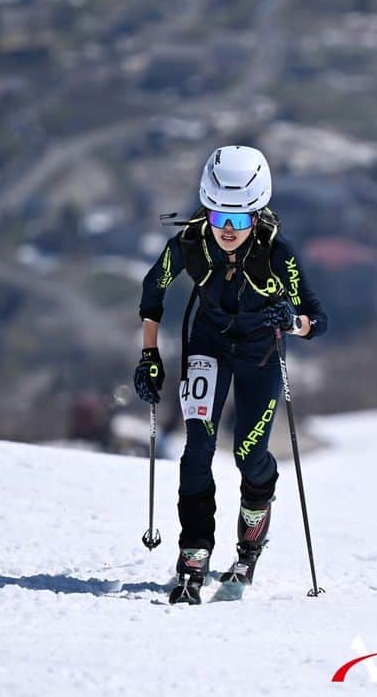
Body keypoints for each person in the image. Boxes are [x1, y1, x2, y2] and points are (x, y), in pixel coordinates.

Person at [133, 145, 328, 603]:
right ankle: (193, 553)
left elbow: (318, 319)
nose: (226, 230)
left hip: (259, 355)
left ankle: (251, 537)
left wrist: (291, 321)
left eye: (239, 221)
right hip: (208, 344)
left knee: (248, 454)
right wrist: (149, 355)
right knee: (197, 447)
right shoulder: (190, 241)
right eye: (218, 216)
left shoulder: (279, 254)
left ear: (257, 217)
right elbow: (152, 291)